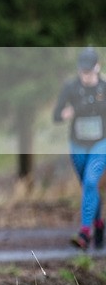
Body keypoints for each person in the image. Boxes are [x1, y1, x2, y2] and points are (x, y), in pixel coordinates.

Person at [52, 47, 106, 250]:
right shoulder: (71, 87)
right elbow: (56, 116)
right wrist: (66, 113)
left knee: (92, 181)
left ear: (97, 67)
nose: (85, 76)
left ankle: (84, 233)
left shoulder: (104, 88)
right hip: (78, 145)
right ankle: (99, 223)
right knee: (88, 186)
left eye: (89, 72)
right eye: (82, 72)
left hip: (101, 143)